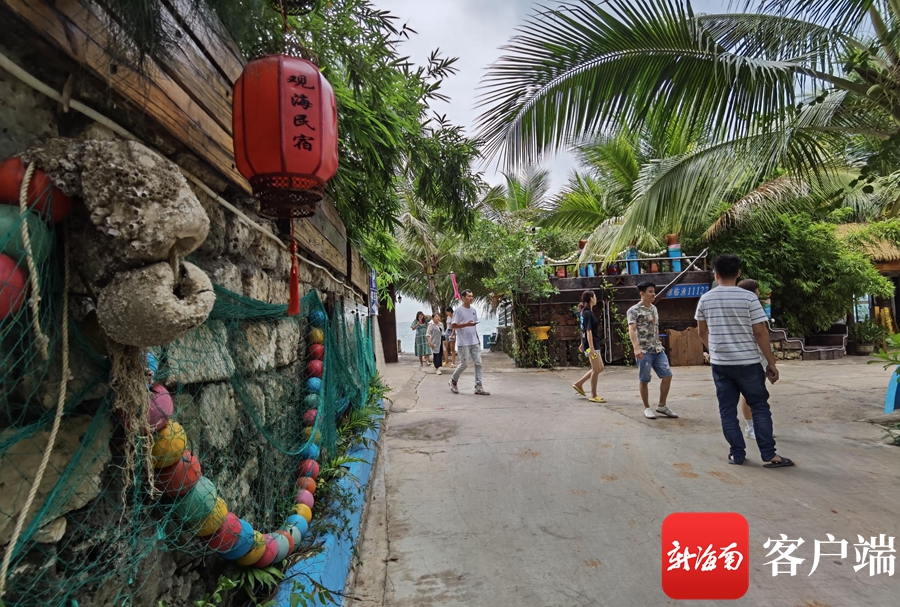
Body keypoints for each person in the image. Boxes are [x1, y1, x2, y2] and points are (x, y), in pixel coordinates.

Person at [695, 255, 794, 468]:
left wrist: (714, 351)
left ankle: (736, 454)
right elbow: (760, 332)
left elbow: (701, 331)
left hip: (721, 365)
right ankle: (769, 455)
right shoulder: (749, 299)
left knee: (727, 409)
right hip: (748, 363)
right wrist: (771, 362)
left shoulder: (706, 299)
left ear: (716, 274)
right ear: (738, 273)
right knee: (759, 407)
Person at [627, 282, 678, 419]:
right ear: (642, 293)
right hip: (644, 351)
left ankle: (662, 405)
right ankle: (646, 407)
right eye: (650, 291)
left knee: (667, 375)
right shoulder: (634, 310)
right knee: (644, 379)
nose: (653, 294)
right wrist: (636, 348)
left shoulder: (654, 308)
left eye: (654, 291)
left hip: (657, 349)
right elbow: (631, 330)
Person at [736, 279, 771, 440]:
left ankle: (755, 426)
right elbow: (760, 332)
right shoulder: (750, 304)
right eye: (757, 290)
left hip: (755, 353)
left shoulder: (745, 305)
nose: (758, 293)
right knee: (750, 392)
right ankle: (750, 427)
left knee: (756, 391)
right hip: (752, 353)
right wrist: (770, 358)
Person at [448, 290, 490, 395]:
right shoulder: (458, 311)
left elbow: (473, 325)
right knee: (464, 364)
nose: (471, 298)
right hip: (463, 342)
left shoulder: (473, 310)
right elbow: (454, 325)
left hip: (474, 341)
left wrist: (477, 337)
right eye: (468, 296)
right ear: (463, 297)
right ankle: (453, 381)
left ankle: (478, 386)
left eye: (472, 296)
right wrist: (466, 324)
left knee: (478, 363)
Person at [572, 290, 606, 403]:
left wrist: (583, 343)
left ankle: (579, 383)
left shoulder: (584, 312)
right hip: (592, 346)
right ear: (591, 298)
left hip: (590, 344)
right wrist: (590, 347)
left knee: (599, 368)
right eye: (595, 296)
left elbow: (583, 329)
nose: (596, 298)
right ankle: (593, 394)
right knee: (596, 369)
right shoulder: (587, 313)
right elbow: (588, 331)